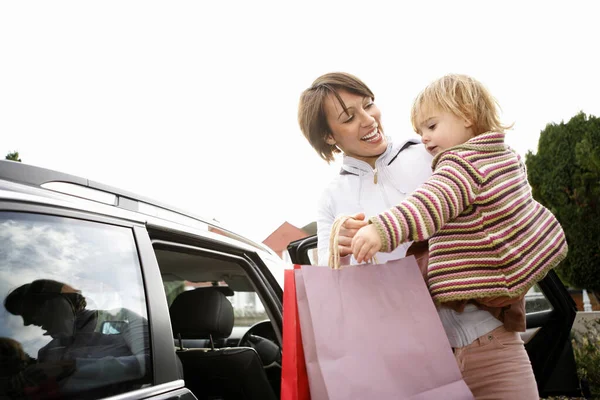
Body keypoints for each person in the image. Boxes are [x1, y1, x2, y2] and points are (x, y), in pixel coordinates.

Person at [351, 73, 568, 398]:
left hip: (492, 348)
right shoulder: (506, 158)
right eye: (420, 131)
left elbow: (429, 203)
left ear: (467, 115)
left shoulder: (462, 163)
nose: (424, 138)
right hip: (476, 349)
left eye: (432, 126)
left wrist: (381, 229)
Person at [297, 72, 433, 266]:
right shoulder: (331, 197)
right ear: (328, 136)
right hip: (390, 296)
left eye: (368, 104)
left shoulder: (428, 152)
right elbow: (328, 270)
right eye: (349, 118)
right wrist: (340, 252)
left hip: (459, 290)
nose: (369, 120)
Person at [3, 279, 150, 396]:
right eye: (23, 316)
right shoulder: (46, 353)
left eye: (30, 311)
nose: (27, 322)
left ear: (58, 303)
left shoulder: (123, 318)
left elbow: (154, 363)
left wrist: (71, 367)